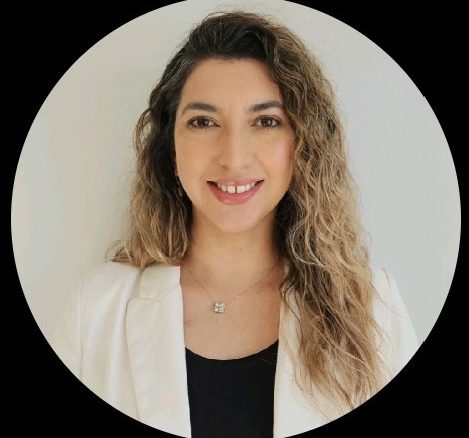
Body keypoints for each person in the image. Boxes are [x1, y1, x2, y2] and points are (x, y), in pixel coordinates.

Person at [52, 10, 419, 438]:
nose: (234, 157)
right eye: (204, 122)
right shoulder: (96, 310)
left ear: (302, 143)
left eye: (266, 121)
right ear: (170, 146)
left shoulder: (371, 308)